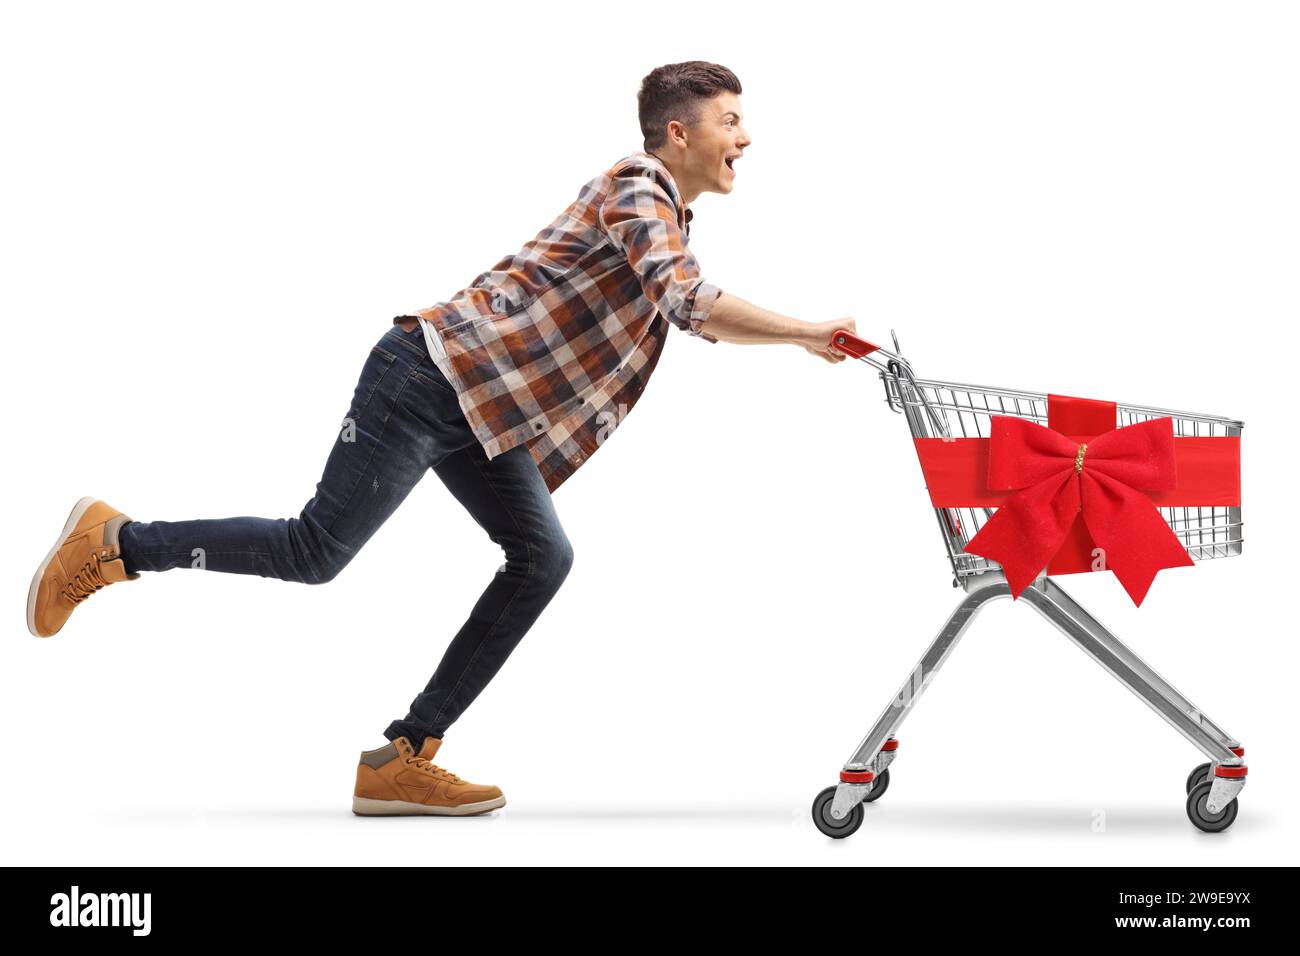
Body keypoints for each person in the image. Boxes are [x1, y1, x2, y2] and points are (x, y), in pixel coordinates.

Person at [25, 60, 857, 817]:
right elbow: (686, 301)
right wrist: (805, 331)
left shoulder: (665, 211)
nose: (746, 137)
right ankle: (117, 543)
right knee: (315, 552)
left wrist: (798, 337)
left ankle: (406, 755)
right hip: (428, 379)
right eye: (732, 120)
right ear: (681, 132)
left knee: (542, 557)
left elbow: (679, 301)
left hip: (484, 412)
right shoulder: (640, 185)